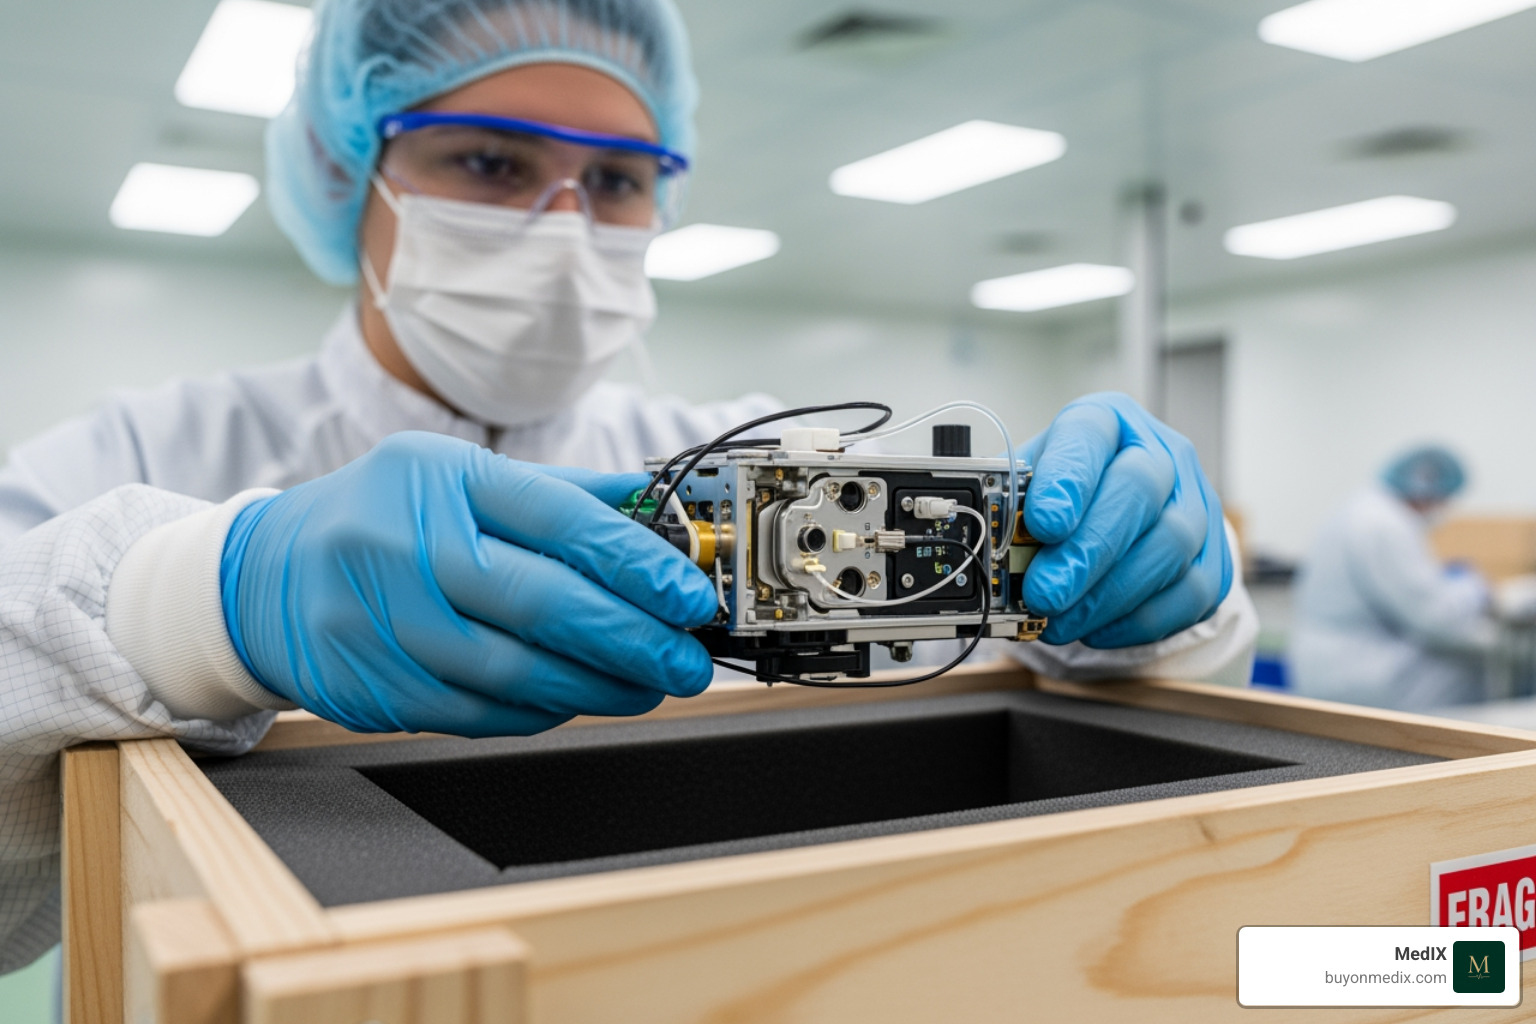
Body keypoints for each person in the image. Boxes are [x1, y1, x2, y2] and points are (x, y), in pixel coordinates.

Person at [0, 0, 1256, 974]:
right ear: (351, 172)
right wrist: (203, 600)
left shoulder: (740, 458)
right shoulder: (150, 452)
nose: (563, 221)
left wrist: (1153, 609)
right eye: (490, 163)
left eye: (615, 180)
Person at [1290, 445, 1494, 711]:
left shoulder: (1360, 507)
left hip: (1326, 663)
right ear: (1429, 490)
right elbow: (1434, 619)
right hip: (1358, 671)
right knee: (1484, 673)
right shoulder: (1387, 524)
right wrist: (1476, 601)